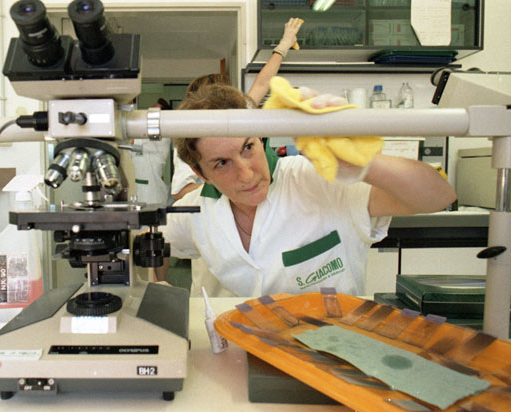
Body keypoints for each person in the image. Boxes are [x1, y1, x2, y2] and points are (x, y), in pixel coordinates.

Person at [156, 84, 456, 297]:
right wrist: (158, 284)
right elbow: (151, 238)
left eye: (248, 147)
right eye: (222, 163)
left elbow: (439, 196)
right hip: (244, 352)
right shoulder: (197, 209)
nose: (246, 174)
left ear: (260, 139)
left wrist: (364, 164)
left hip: (334, 350)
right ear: (200, 174)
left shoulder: (316, 180)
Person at [171, 17, 303, 201]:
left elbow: (262, 83)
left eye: (248, 147)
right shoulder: (191, 137)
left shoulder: (238, 115)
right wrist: (223, 185)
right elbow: (180, 191)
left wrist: (284, 44)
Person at [130, 98, 173, 206]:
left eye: (154, 111)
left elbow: (133, 142)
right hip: (138, 191)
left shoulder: (163, 136)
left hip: (153, 194)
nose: (149, 112)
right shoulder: (143, 132)